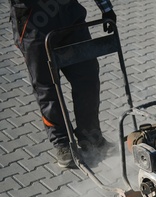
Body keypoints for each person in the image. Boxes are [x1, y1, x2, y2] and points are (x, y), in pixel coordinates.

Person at [9, 0, 117, 168]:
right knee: (47, 88)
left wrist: (106, 8)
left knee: (87, 77)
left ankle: (91, 138)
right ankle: (63, 144)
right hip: (34, 23)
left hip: (70, 17)